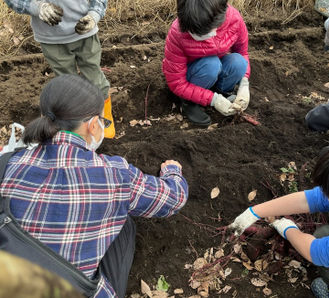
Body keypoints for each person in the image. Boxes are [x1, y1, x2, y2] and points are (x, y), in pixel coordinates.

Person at [0, 74, 188, 298]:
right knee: (125, 222)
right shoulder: (114, 174)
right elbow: (173, 199)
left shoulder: (7, 163)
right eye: (102, 120)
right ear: (91, 125)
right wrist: (173, 171)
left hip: (10, 283)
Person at [229, 136, 329, 298]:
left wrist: (288, 228)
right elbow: (313, 199)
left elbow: (314, 251)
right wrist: (255, 212)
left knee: (324, 234)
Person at [4, 0, 116, 138]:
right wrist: (36, 7)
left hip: (85, 32)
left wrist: (94, 15)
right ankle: (76, 126)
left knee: (95, 80)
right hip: (52, 39)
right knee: (68, 86)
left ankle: (104, 120)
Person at [162, 0, 251, 126]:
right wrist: (213, 100)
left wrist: (244, 83)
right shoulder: (178, 33)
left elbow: (242, 52)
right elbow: (177, 83)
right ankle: (189, 102)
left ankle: (222, 91)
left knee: (239, 62)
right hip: (195, 75)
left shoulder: (234, 19)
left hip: (216, 67)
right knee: (211, 65)